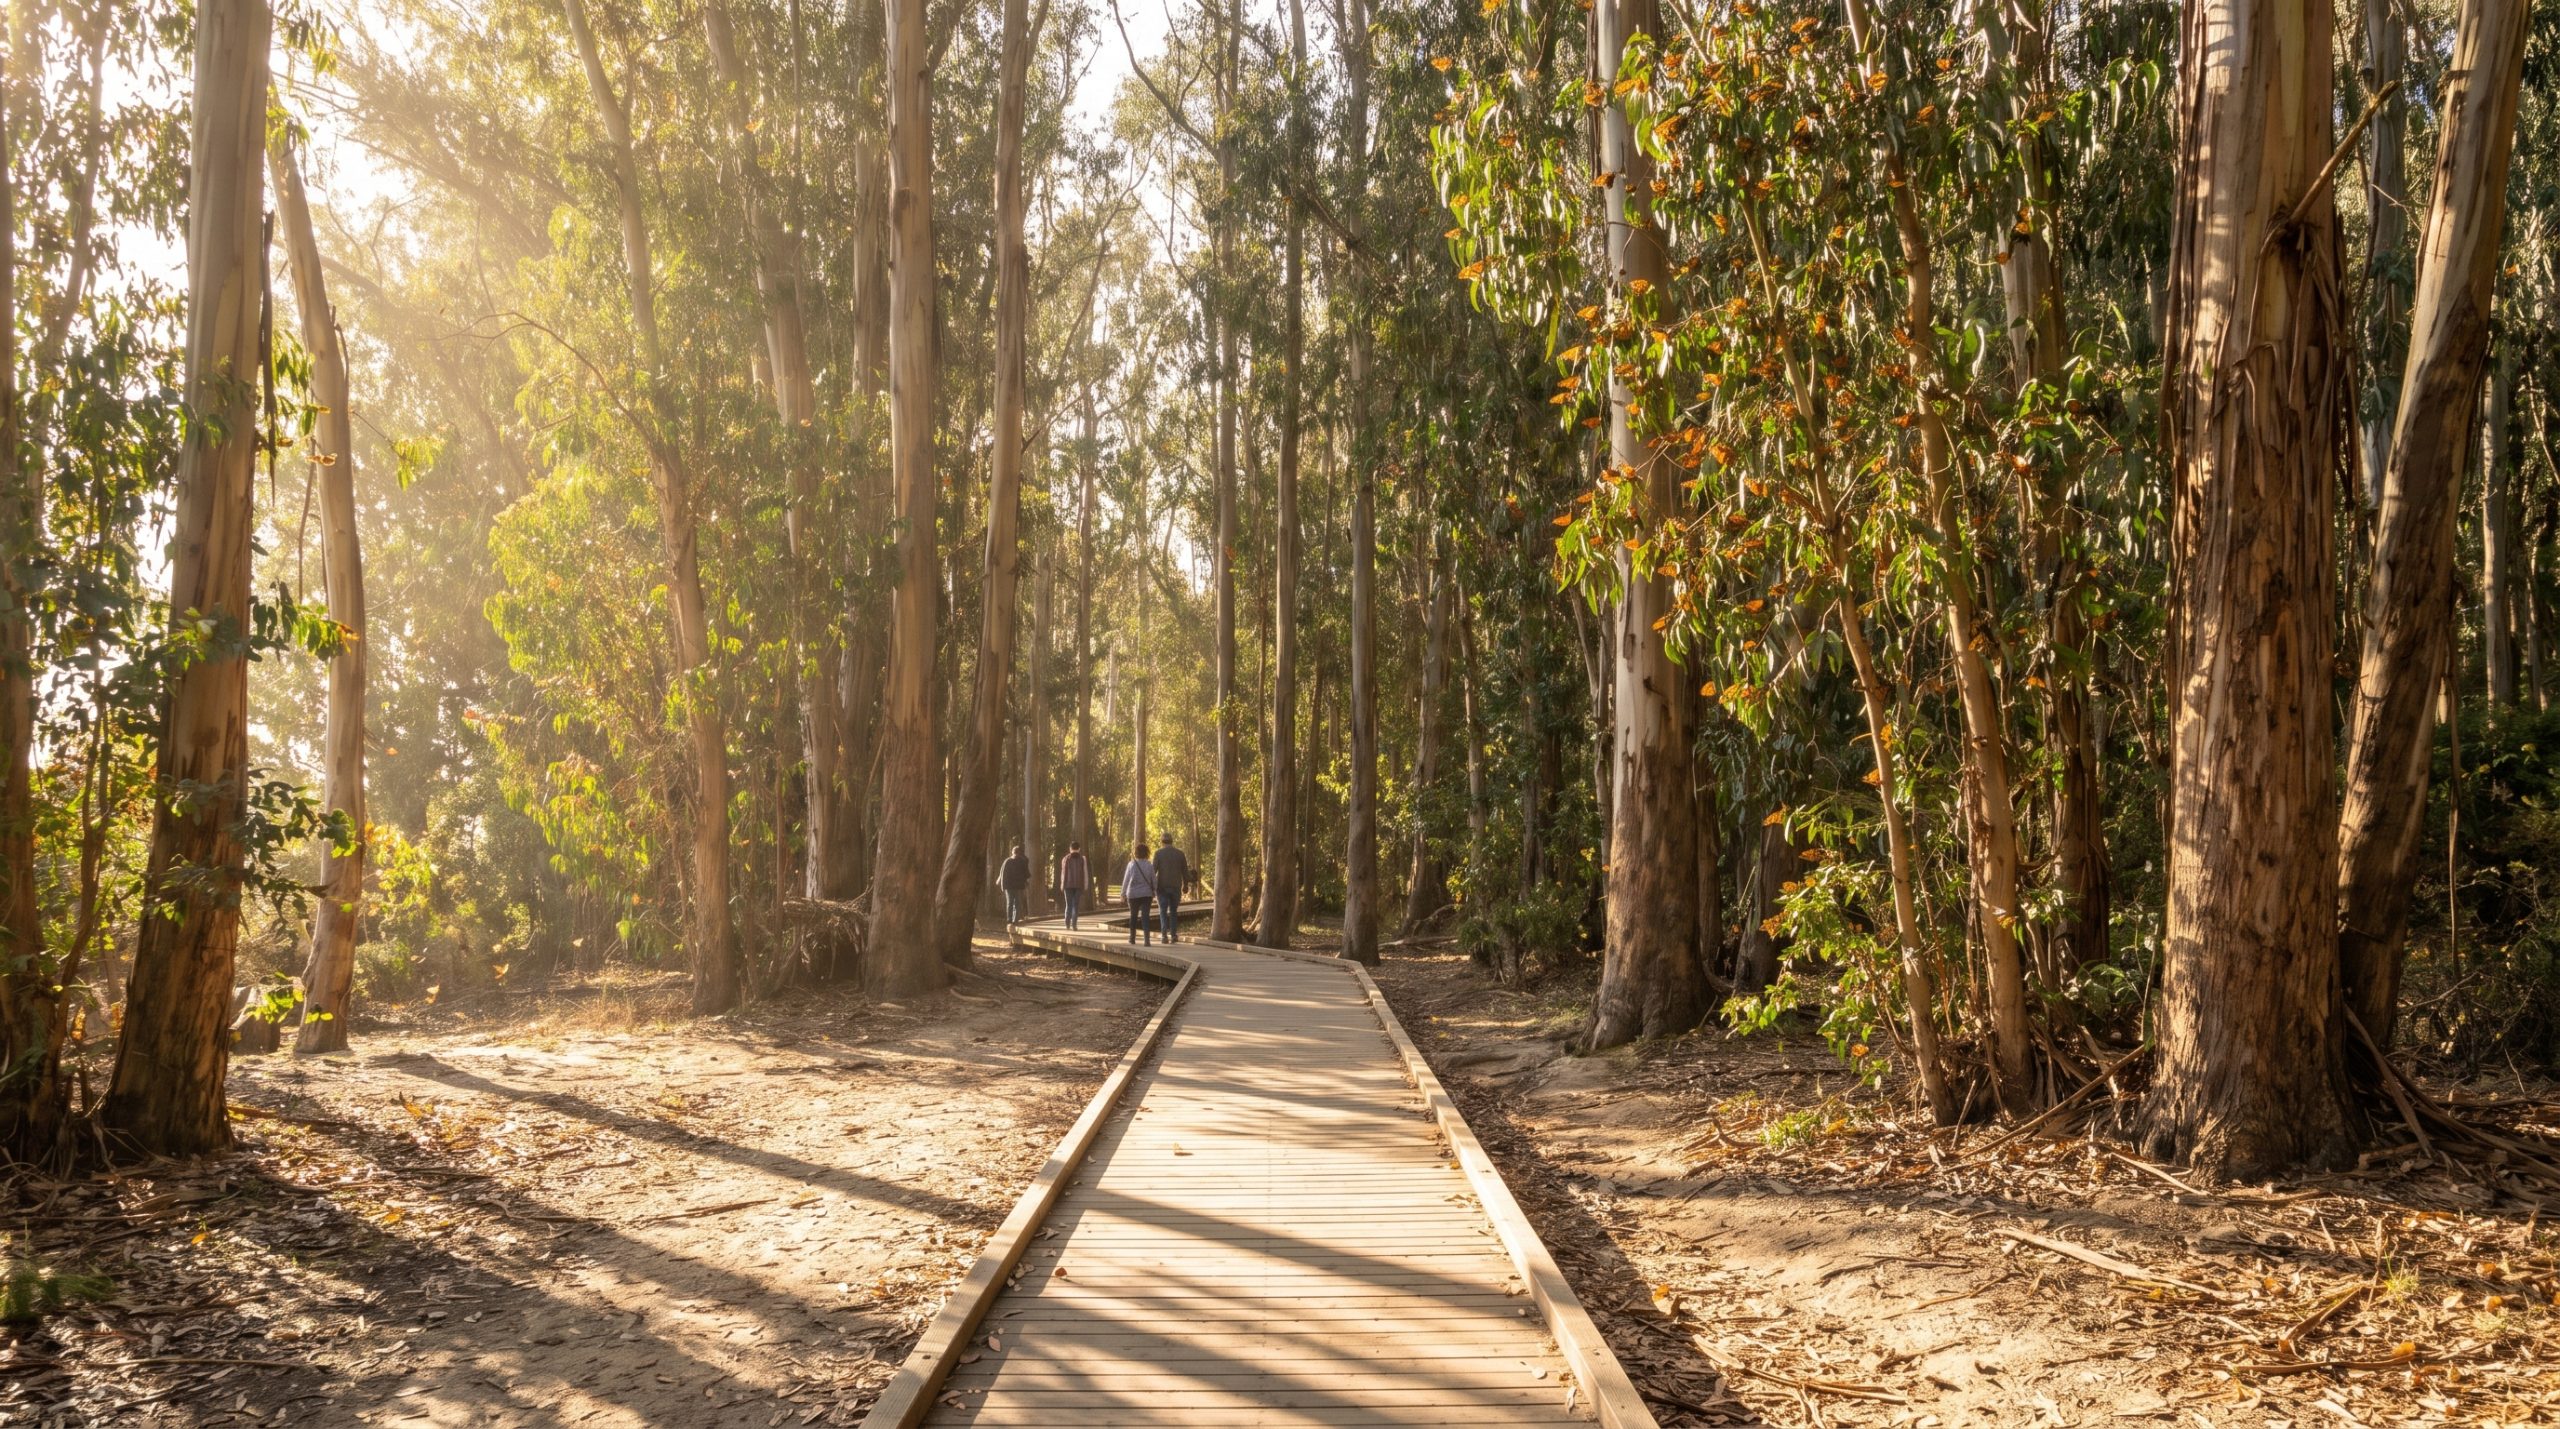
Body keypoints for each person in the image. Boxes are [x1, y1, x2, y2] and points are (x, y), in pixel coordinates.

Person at [1151, 836, 1191, 943]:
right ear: (1172, 841)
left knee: (1163, 911)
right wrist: (1185, 885)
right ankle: (1173, 935)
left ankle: (1164, 936)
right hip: (1176, 887)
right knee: (1173, 911)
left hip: (1162, 887)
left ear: (1162, 842)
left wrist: (1152, 886)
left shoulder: (1158, 853)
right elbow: (1185, 872)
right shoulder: (1180, 854)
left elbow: (1153, 871)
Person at [1120, 843, 1158, 946]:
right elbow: (1154, 880)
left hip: (1133, 894)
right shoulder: (1149, 865)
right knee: (1145, 916)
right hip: (1146, 894)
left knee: (1133, 916)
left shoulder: (1131, 864)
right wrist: (1155, 890)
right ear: (1147, 853)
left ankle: (1132, 938)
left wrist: (1123, 894)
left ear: (1136, 853)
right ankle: (1147, 940)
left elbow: (1126, 880)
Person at [997, 844, 1032, 927]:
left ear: (1013, 852)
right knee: (1016, 903)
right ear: (1019, 853)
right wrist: (1026, 882)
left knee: (1011, 903)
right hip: (1016, 886)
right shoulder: (1021, 861)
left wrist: (1002, 886)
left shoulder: (1008, 861)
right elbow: (1026, 874)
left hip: (1010, 886)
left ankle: (1010, 920)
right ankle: (1014, 920)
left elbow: (1002, 874)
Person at [1059, 843, 1088, 930]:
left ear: (1070, 848)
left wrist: (1062, 884)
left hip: (1067, 885)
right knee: (1075, 905)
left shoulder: (1065, 859)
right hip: (1079, 885)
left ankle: (1067, 924)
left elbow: (1063, 873)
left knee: (1068, 905)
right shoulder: (1082, 859)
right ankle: (1074, 925)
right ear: (1079, 849)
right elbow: (1085, 872)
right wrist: (1085, 884)